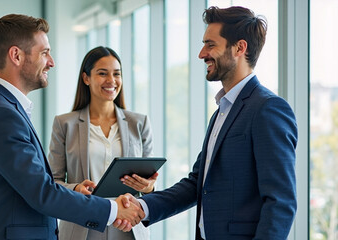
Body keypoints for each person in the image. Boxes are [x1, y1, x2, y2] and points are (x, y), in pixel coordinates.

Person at [118, 6, 298, 240]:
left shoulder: (268, 109)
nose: (202, 53)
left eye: (210, 44)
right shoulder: (222, 111)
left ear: (239, 48)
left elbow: (280, 202)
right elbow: (197, 184)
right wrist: (144, 207)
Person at [0, 14, 143, 240]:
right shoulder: (0, 114)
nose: (51, 62)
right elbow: (42, 192)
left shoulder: (4, 109)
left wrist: (73, 189)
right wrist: (112, 209)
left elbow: (30, 186)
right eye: (45, 53)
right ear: (16, 55)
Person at [47, 46, 157, 240]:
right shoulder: (64, 124)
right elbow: (52, 182)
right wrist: (76, 189)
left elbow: (150, 185)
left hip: (128, 228)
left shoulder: (139, 123)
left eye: (117, 74)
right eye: (102, 73)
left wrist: (148, 187)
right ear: (86, 78)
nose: (111, 80)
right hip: (82, 227)